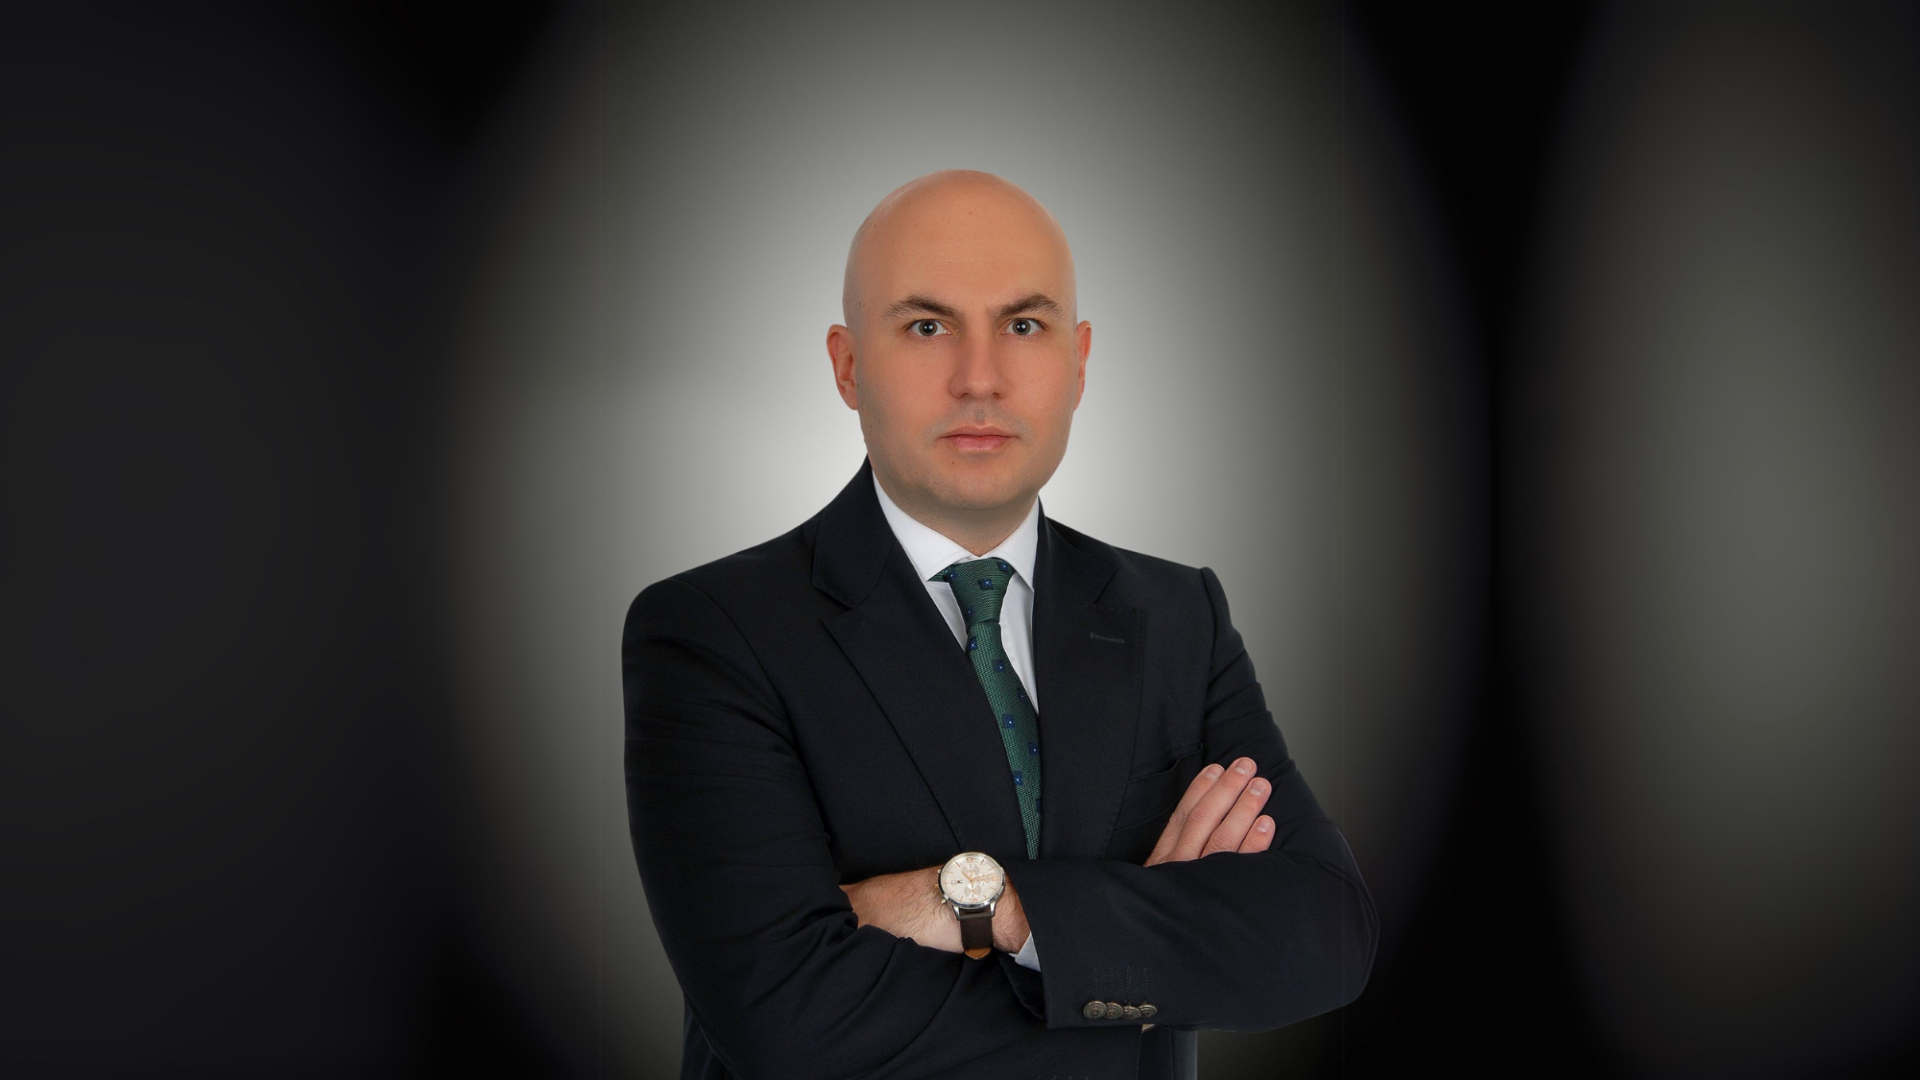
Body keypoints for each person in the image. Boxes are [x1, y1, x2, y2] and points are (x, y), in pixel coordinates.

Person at [623, 170, 1377, 1080]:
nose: (978, 378)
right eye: (927, 326)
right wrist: (1140, 967)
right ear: (848, 366)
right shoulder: (711, 633)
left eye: (1023, 326)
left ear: (1079, 361)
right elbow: (785, 1021)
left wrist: (988, 905)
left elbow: (1328, 932)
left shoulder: (1180, 617)